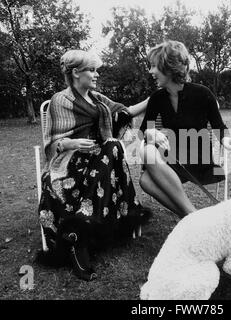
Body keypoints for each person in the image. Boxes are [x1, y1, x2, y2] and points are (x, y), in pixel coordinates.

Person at [37, 49, 150, 281]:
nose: (96, 74)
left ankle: (77, 234)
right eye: (91, 70)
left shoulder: (99, 100)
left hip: (100, 164)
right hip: (70, 166)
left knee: (112, 147)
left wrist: (154, 99)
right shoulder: (60, 100)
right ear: (76, 73)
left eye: (96, 69)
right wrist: (72, 142)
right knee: (113, 148)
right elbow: (52, 143)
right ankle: (79, 237)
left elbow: (125, 112)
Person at [139, 40, 231, 218]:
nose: (151, 71)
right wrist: (150, 132)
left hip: (199, 160)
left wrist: (226, 139)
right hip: (172, 157)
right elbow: (143, 131)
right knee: (145, 173)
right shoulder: (156, 98)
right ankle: (191, 216)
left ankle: (190, 217)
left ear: (168, 67)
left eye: (154, 66)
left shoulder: (203, 94)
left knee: (146, 178)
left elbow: (219, 126)